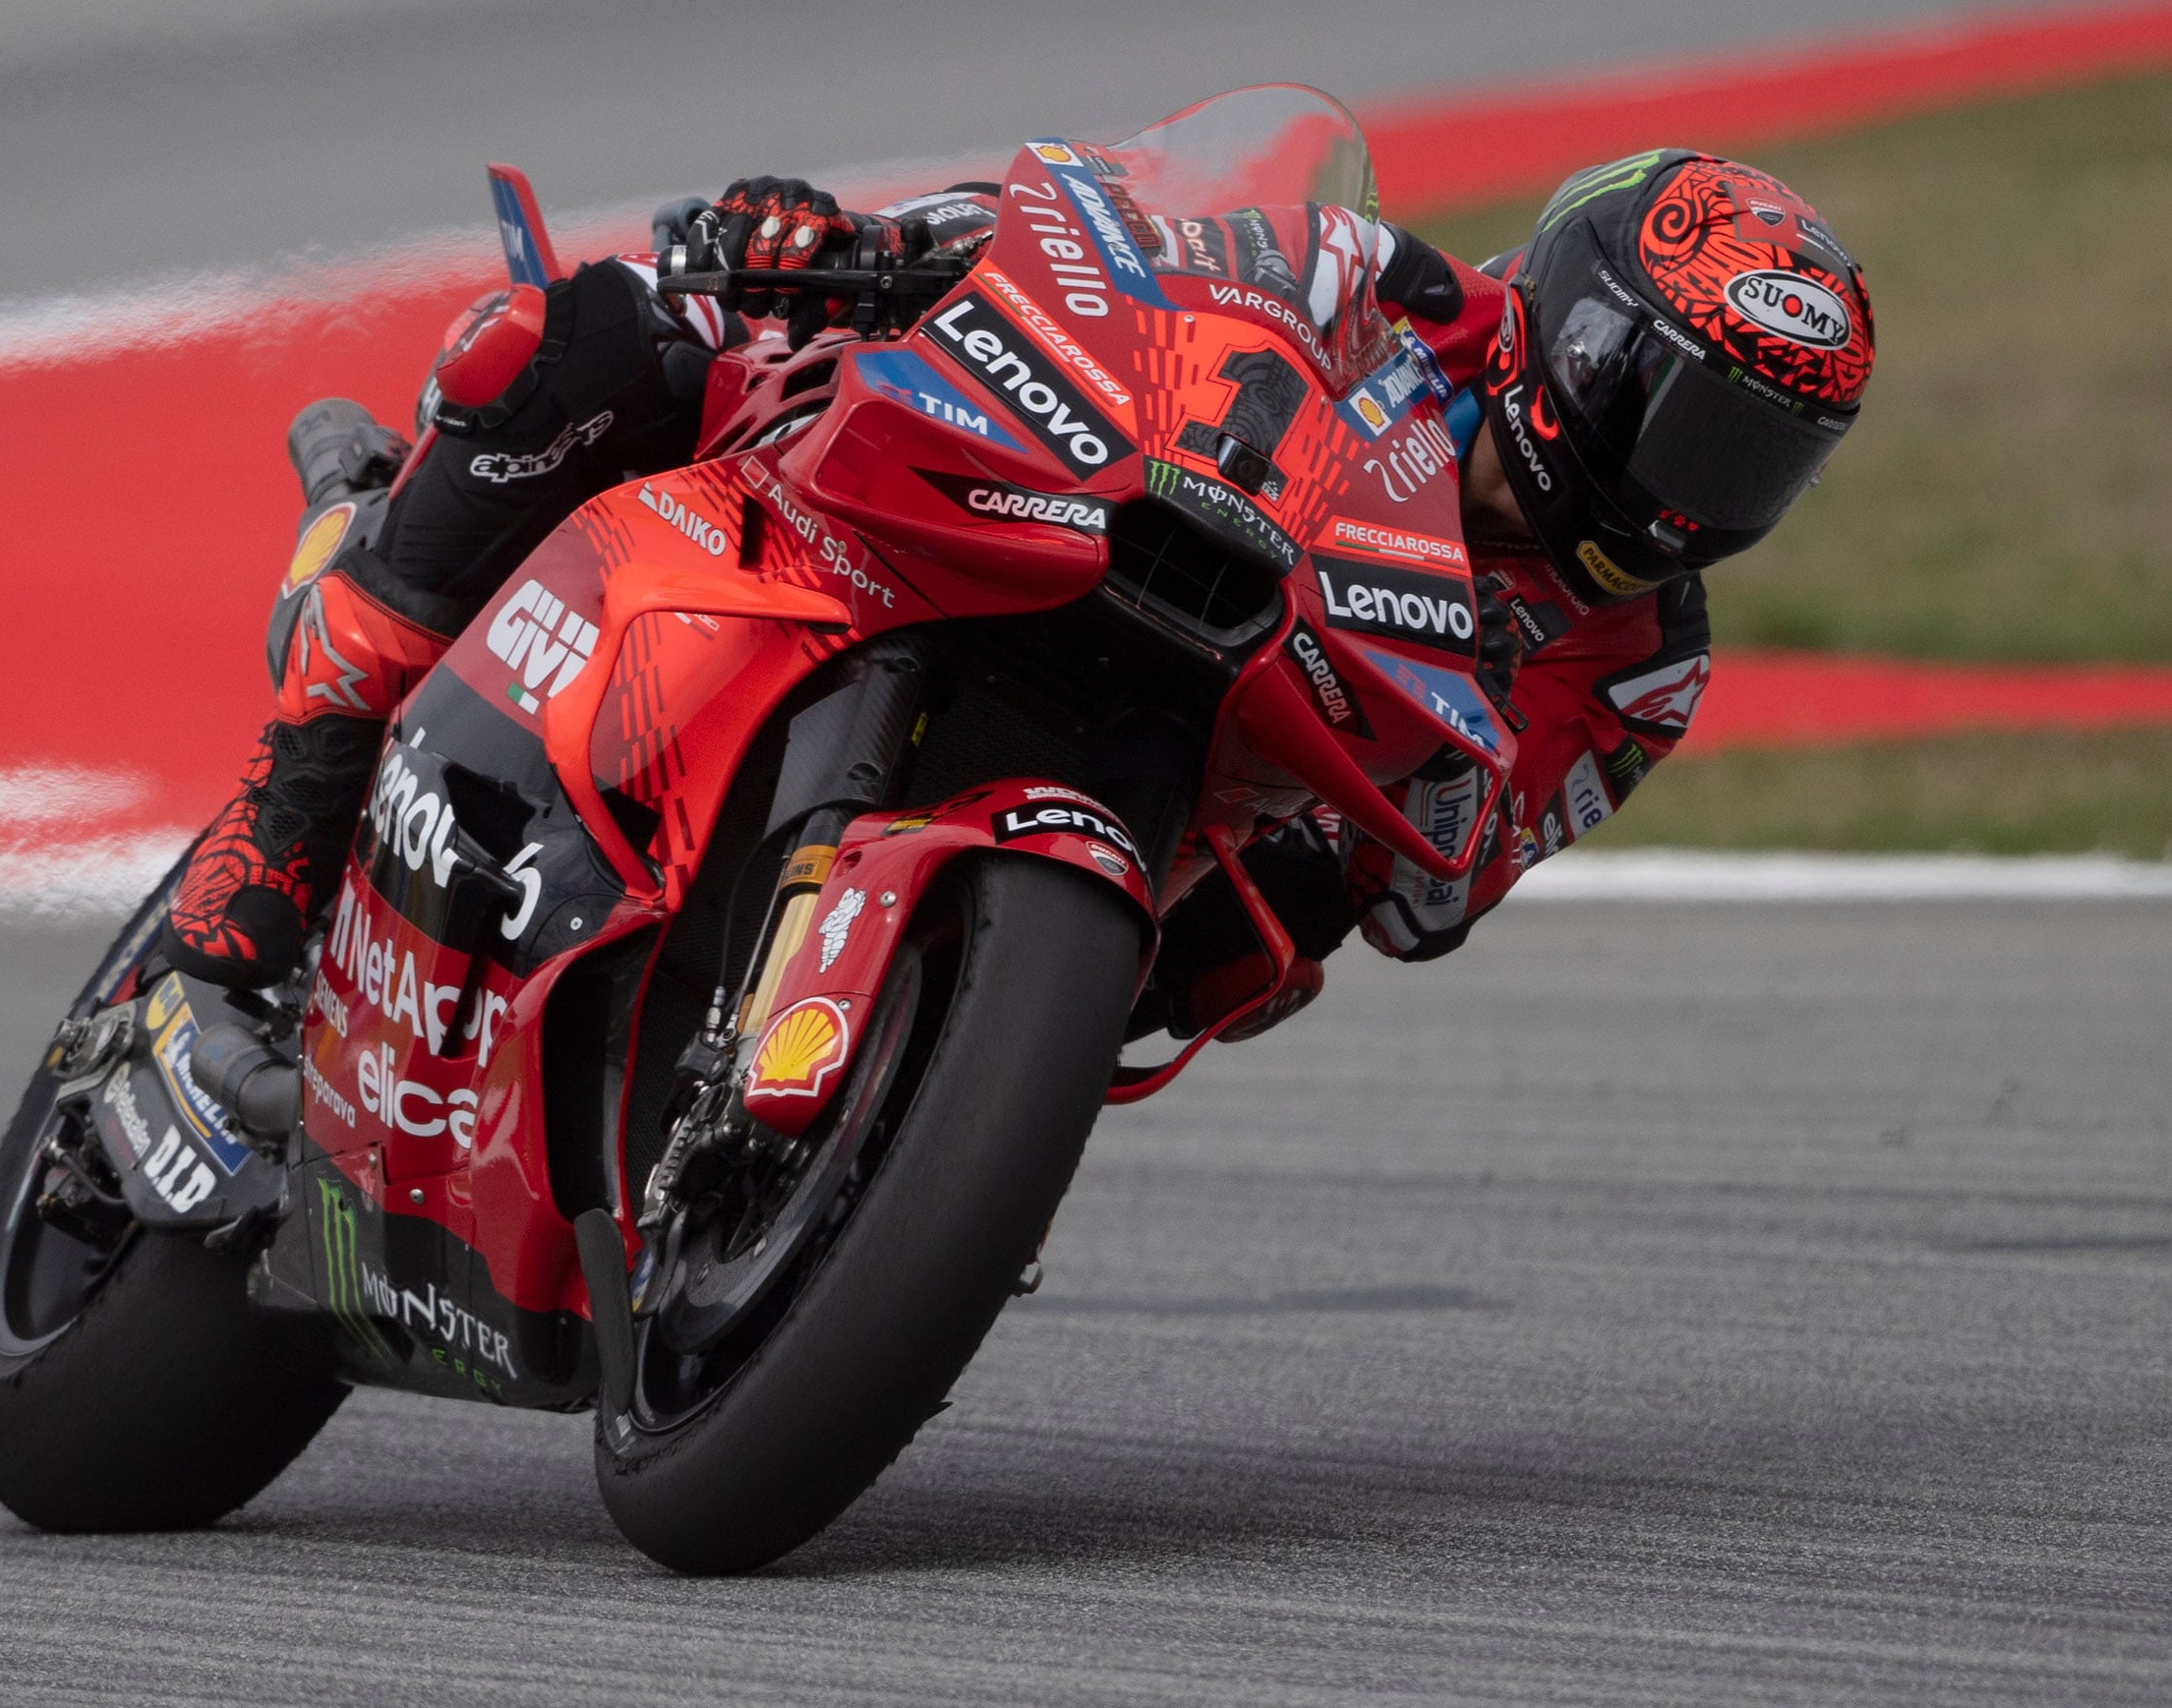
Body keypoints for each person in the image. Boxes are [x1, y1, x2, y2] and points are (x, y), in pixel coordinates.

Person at [159, 151, 1877, 1048]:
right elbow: (1114, 259)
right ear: (1582, 328)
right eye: (1696, 420)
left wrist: (1389, 840)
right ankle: (285, 812)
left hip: (1205, 780)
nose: (1698, 494)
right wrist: (863, 246)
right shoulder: (1388, 286)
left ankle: (917, 1100)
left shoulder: (1641, 663)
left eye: (1759, 464)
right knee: (594, 337)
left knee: (1249, 974)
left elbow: (1439, 890)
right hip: (1053, 520)